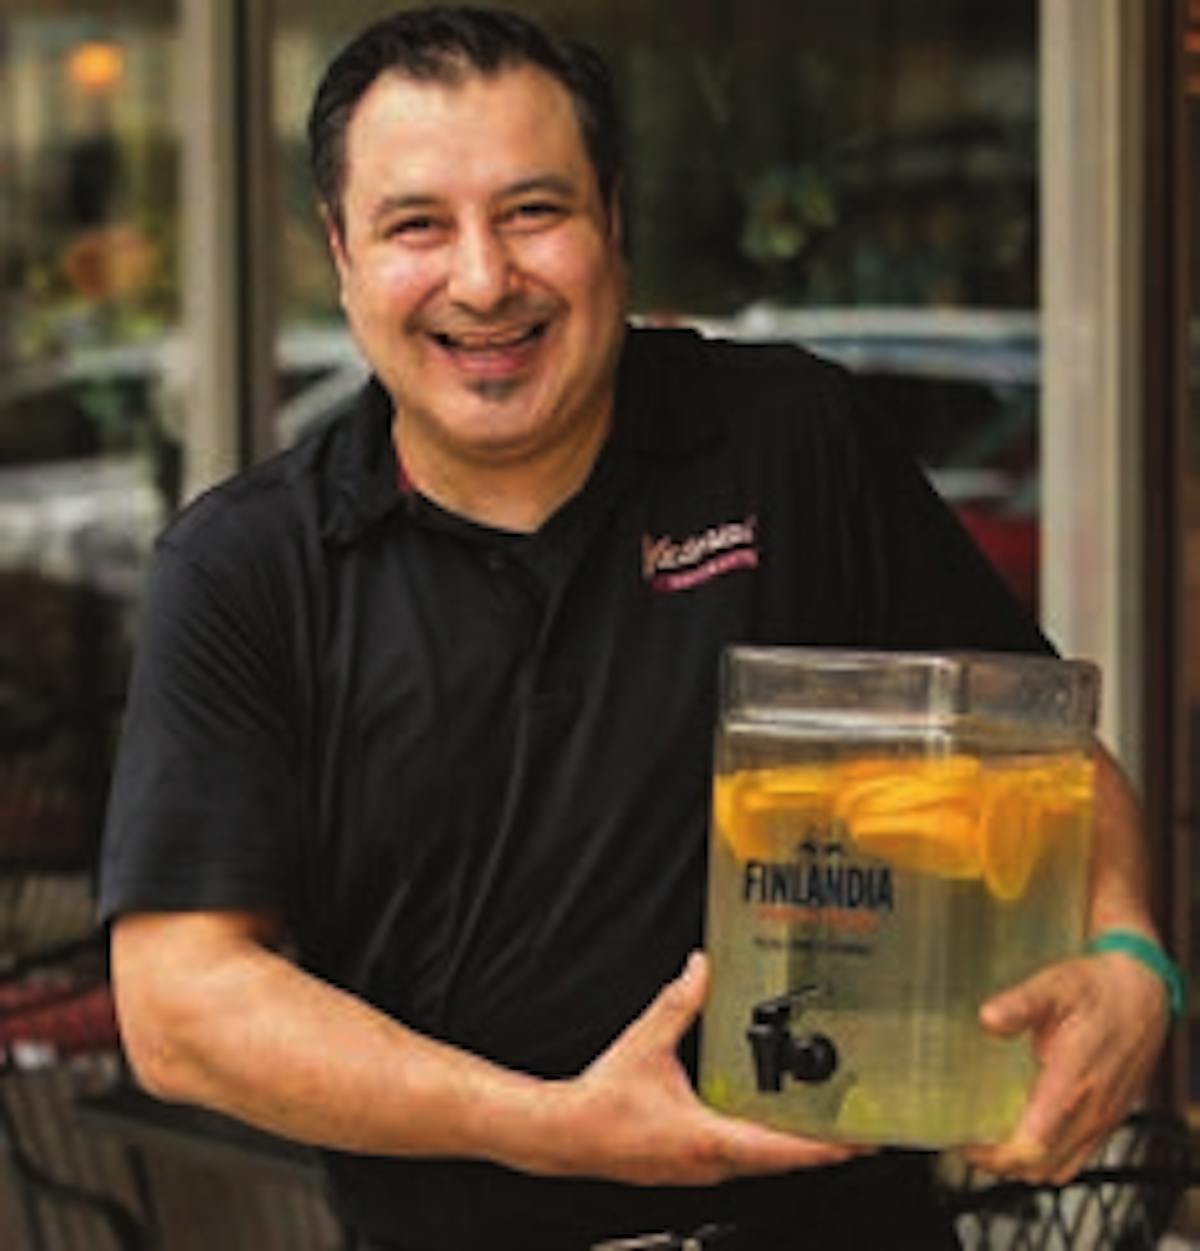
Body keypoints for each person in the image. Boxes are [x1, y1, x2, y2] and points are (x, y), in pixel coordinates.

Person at [98, 7, 1173, 1249]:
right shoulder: (251, 568)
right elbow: (180, 1002)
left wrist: (1130, 951)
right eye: (416, 226)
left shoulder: (790, 446)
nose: (485, 278)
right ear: (340, 254)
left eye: (532, 211)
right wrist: (547, 1123)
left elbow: (1046, 767)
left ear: (614, 219)